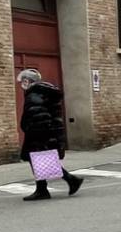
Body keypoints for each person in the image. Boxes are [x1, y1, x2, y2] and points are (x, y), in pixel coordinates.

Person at [17, 69, 83, 201]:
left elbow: (38, 116)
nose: (21, 84)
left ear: (28, 81)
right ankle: (48, 187)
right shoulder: (42, 92)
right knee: (40, 160)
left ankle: (59, 184)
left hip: (38, 134)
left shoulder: (34, 95)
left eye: (23, 81)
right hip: (44, 133)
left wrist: (31, 130)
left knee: (39, 160)